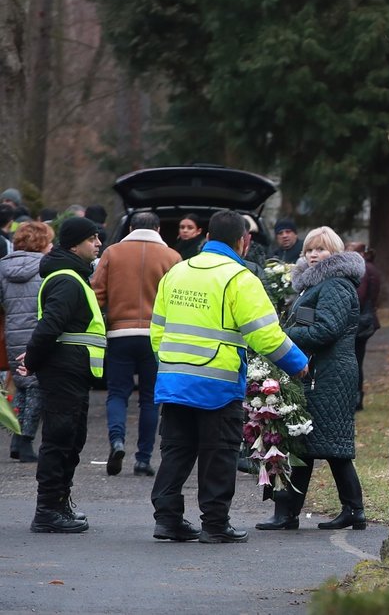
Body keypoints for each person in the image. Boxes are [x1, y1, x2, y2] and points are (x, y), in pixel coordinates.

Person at [150, 210, 308, 543]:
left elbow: (157, 330)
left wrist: (170, 364)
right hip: (217, 384)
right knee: (218, 453)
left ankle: (167, 520)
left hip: (175, 379)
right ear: (244, 241)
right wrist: (298, 363)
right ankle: (215, 524)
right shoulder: (239, 279)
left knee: (176, 450)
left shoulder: (177, 272)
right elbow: (265, 335)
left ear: (206, 237)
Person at [256, 226, 366, 532]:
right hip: (319, 373)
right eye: (309, 250)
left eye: (321, 249)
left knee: (324, 445)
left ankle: (302, 512)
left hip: (328, 376)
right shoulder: (316, 286)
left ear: (336, 253)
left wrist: (283, 334)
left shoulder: (335, 285)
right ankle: (301, 512)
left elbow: (325, 331)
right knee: (310, 444)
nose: (314, 255)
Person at [19, 217, 103, 533]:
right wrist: (35, 360)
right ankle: (46, 511)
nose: (97, 243)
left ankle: (59, 505)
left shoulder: (75, 276)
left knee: (72, 437)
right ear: (73, 244)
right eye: (92, 238)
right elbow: (50, 326)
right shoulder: (68, 279)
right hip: (64, 371)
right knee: (59, 439)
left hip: (72, 371)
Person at [91, 212, 181, 477]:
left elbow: (96, 293)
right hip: (155, 337)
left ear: (130, 227)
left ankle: (117, 441)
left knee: (117, 394)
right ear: (158, 228)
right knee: (150, 400)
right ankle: (143, 459)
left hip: (119, 333)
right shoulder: (172, 257)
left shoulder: (112, 253)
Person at [0, 222, 55, 463]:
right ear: (42, 242)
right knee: (36, 387)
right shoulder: (46, 266)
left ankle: (17, 437)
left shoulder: (3, 266)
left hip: (12, 332)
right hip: (36, 333)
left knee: (22, 384)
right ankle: (25, 441)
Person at [344, 241, 381, 411]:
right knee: (358, 360)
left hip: (360, 323)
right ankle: (357, 397)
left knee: (355, 361)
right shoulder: (371, 267)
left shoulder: (363, 270)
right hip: (367, 321)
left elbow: (358, 297)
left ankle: (355, 398)